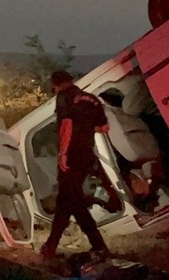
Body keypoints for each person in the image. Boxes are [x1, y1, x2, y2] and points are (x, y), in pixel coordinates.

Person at [39, 70, 119, 259]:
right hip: (86, 155)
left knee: (69, 201)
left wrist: (63, 153)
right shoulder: (91, 99)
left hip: (72, 155)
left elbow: (67, 124)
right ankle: (52, 245)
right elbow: (103, 128)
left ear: (55, 84)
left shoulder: (64, 97)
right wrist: (85, 128)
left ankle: (96, 246)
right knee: (69, 201)